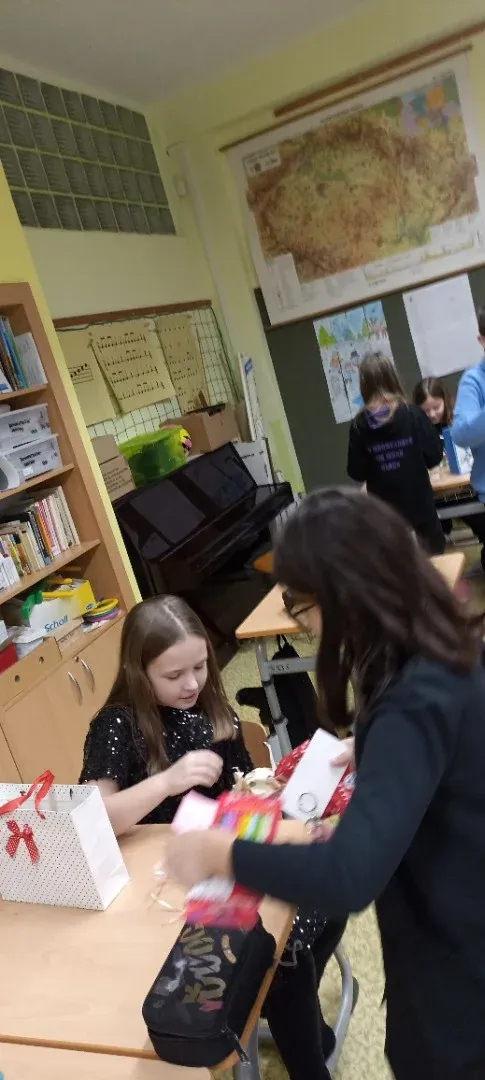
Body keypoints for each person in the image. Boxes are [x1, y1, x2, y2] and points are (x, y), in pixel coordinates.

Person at [165, 489, 485, 1080]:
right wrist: (386, 753)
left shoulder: (411, 700)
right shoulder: (437, 649)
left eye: (300, 605)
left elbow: (349, 875)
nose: (303, 626)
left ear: (343, 598)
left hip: (459, 966)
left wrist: (220, 854)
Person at [79, 594, 343, 1080]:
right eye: (174, 675)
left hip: (222, 863)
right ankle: (298, 1039)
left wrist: (270, 792)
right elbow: (96, 819)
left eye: (200, 667)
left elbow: (243, 784)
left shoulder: (210, 708)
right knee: (284, 955)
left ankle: (282, 1007)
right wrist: (167, 781)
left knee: (327, 904)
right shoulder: (117, 724)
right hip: (164, 888)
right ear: (139, 673)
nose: (192, 683)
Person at [347, 351, 444, 553]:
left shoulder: (358, 425)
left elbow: (356, 472)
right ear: (393, 378)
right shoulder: (413, 414)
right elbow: (434, 457)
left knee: (396, 566)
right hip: (421, 510)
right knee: (434, 562)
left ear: (363, 385)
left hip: (385, 516)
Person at [414, 376, 485, 569]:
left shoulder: (460, 421)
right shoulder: (418, 430)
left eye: (436, 407)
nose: (432, 414)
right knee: (433, 534)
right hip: (438, 496)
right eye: (425, 410)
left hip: (466, 489)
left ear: (445, 400)